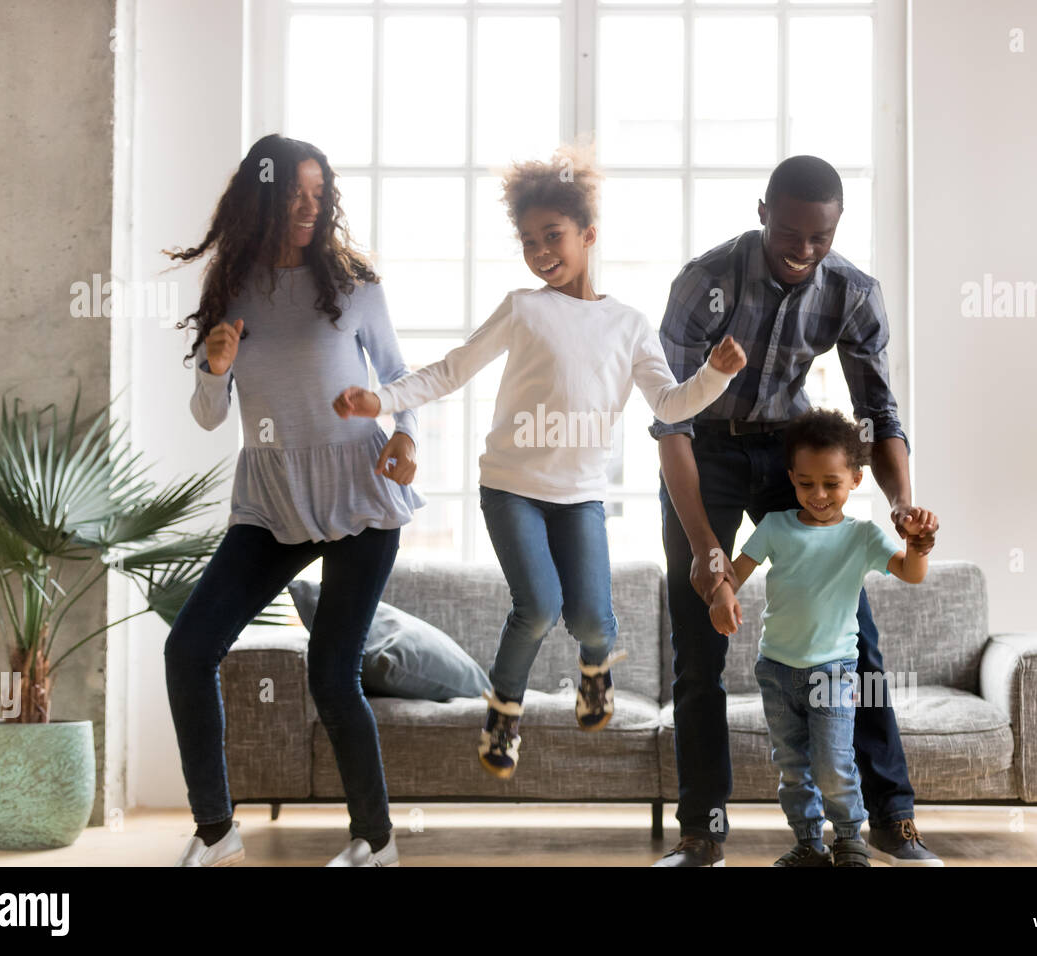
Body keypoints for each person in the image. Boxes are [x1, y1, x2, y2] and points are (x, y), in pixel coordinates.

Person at [334, 143, 746, 779]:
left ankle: (595, 670)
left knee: (592, 620)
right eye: (528, 241)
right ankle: (503, 713)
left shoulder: (629, 324)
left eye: (552, 236)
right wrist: (381, 399)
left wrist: (713, 377)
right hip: (511, 488)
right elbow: (452, 370)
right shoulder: (522, 309)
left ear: (588, 235)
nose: (540, 252)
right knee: (538, 607)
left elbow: (669, 402)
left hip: (579, 495)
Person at [652, 155, 942, 867]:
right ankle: (702, 832)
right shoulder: (704, 282)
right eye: (789, 233)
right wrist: (704, 549)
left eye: (820, 237)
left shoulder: (852, 290)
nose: (803, 251)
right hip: (706, 452)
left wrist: (901, 504)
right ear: (762, 212)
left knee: (856, 641)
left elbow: (877, 413)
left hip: (790, 455)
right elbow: (671, 425)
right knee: (700, 645)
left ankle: (891, 818)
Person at [165, 133, 421, 867]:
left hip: (360, 491)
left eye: (319, 195)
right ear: (263, 197)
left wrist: (406, 436)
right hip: (273, 499)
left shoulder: (353, 282)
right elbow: (210, 415)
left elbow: (400, 376)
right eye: (295, 195)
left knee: (331, 673)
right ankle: (215, 830)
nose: (310, 209)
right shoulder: (232, 284)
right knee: (188, 649)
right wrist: (215, 369)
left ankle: (375, 841)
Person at [708, 409, 934, 866]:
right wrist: (721, 593)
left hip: (833, 672)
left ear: (855, 479)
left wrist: (917, 544)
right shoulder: (775, 526)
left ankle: (850, 838)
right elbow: (736, 571)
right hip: (775, 669)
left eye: (832, 483)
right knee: (793, 769)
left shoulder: (863, 536)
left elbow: (911, 574)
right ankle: (808, 844)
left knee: (833, 765)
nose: (819, 494)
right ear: (791, 477)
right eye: (806, 483)